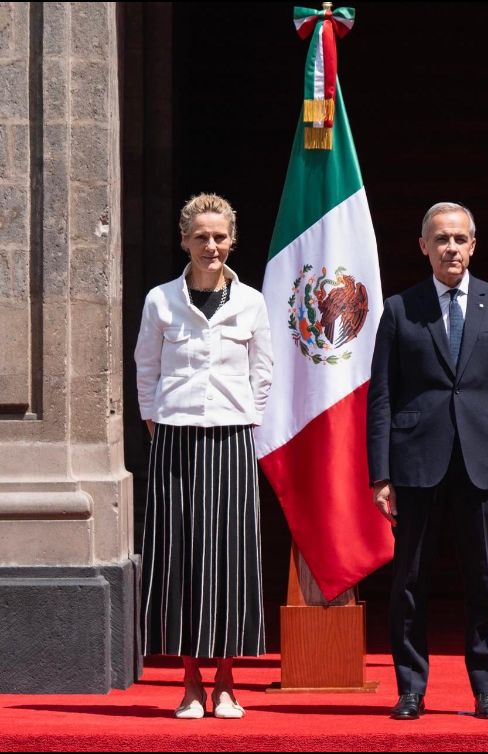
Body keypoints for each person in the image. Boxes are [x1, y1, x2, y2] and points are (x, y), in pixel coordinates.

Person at [367, 202, 488, 721]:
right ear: (423, 247)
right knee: (411, 581)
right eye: (441, 239)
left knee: (484, 580)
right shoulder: (400, 308)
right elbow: (382, 397)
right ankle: (411, 688)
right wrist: (381, 474)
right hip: (416, 462)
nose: (451, 248)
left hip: (483, 460)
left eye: (460, 239)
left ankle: (486, 688)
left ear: (473, 245)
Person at [134, 193, 273, 719]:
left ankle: (227, 682)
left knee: (232, 557)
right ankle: (191, 681)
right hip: (176, 437)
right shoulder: (160, 301)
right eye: (201, 237)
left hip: (232, 438)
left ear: (231, 241)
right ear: (185, 241)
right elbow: (146, 366)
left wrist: (247, 415)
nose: (210, 246)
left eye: (219, 237)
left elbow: (263, 371)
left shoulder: (252, 302)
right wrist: (155, 417)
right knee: (182, 558)